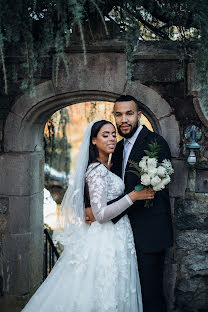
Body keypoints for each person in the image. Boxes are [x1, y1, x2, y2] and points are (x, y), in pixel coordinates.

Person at [22, 120, 155, 312]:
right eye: (105, 135)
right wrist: (133, 196)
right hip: (106, 237)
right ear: (93, 140)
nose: (111, 139)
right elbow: (100, 214)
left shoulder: (104, 168)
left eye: (112, 134)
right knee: (102, 289)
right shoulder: (96, 171)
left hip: (116, 235)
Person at [86, 96, 173, 312]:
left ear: (139, 116)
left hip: (149, 234)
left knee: (150, 295)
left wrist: (102, 213)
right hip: (121, 236)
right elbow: (105, 186)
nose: (123, 119)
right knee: (127, 296)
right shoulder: (118, 147)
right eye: (118, 114)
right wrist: (92, 208)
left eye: (129, 113)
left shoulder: (156, 144)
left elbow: (147, 192)